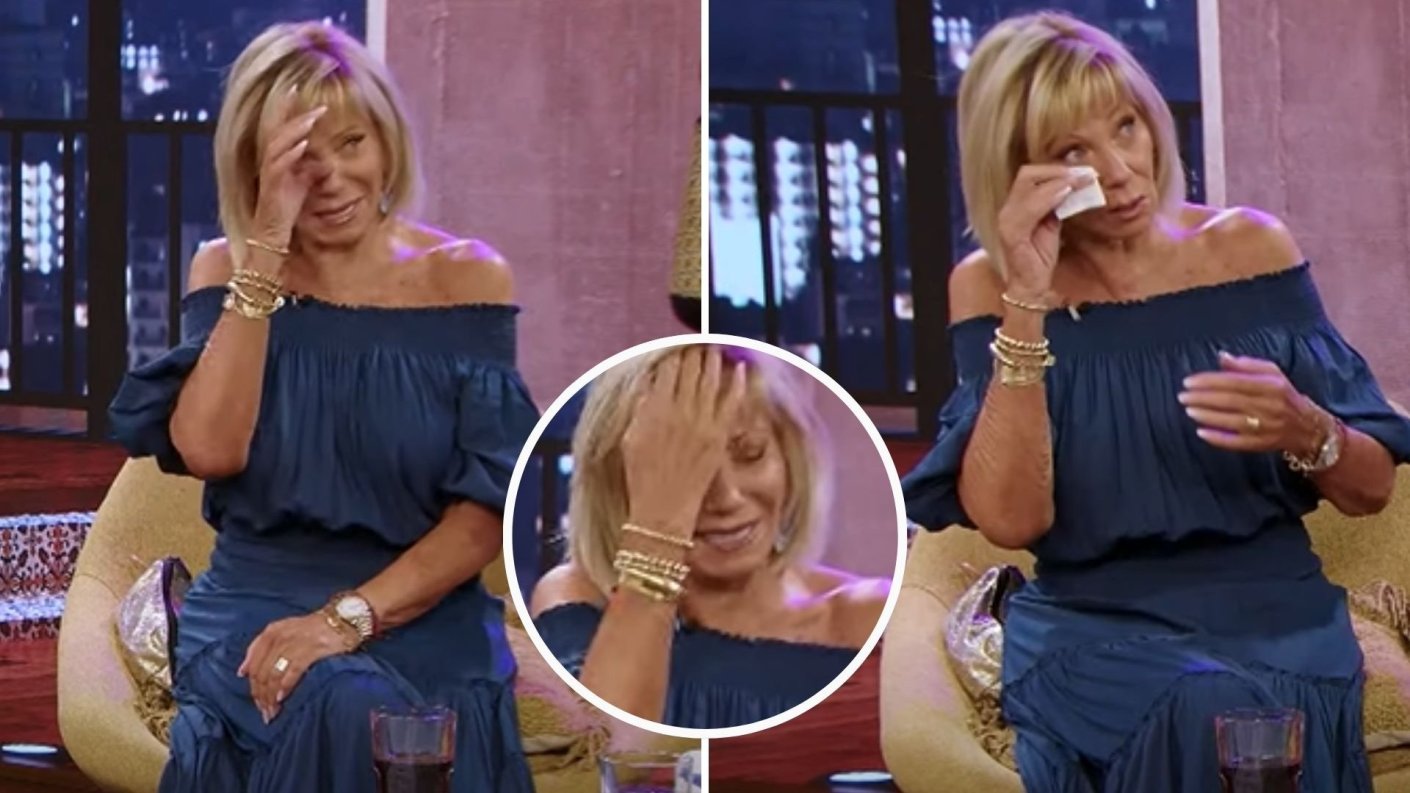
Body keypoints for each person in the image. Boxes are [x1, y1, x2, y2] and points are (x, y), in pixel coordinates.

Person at [901, 11, 1410, 793]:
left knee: (1231, 706)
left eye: (1127, 127)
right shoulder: (987, 284)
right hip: (1092, 630)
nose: (1120, 171)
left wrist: (1308, 428)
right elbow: (1011, 520)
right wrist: (1028, 297)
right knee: (1210, 707)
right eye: (1074, 152)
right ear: (1018, 171)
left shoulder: (1250, 249)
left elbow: (1371, 490)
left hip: (1279, 618)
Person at [108, 22, 537, 793]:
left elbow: (484, 513)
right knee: (346, 704)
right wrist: (266, 246)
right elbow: (211, 451)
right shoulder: (226, 268)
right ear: (257, 166)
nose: (332, 177)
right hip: (254, 611)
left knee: (383, 713)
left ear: (387, 144)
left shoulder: (467, 277)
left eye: (352, 143)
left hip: (420, 615)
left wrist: (346, 619)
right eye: (301, 159)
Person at [530, 345, 890, 729]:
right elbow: (605, 747)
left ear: (790, 458)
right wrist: (659, 532)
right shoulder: (576, 597)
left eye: (750, 453)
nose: (727, 498)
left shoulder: (868, 615)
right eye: (688, 470)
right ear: (616, 485)